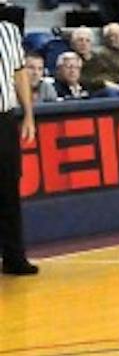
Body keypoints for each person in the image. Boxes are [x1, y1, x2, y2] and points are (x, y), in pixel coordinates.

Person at [0, 15, 38, 274]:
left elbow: (19, 72)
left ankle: (14, 256)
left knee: (8, 187)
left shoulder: (9, 31)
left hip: (3, 117)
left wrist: (28, 115)